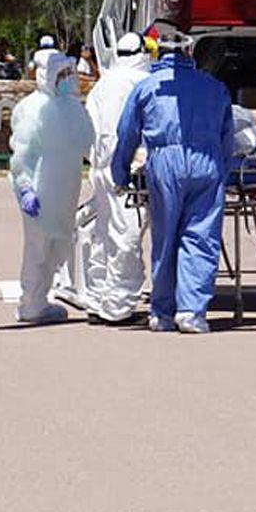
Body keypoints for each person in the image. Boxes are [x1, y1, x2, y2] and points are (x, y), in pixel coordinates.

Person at [111, 34, 233, 334]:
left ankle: (162, 312)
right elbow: (227, 136)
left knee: (165, 238)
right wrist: (223, 174)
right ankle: (192, 312)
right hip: (208, 162)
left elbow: (126, 134)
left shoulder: (147, 87)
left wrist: (121, 174)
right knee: (201, 237)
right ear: (190, 52)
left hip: (165, 163)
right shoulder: (214, 87)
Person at [8, 50, 95, 323]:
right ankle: (30, 304)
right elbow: (21, 153)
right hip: (40, 188)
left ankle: (40, 300)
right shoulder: (31, 108)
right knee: (37, 247)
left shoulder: (72, 107)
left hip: (65, 188)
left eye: (70, 73)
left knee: (57, 246)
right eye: (63, 75)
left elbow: (87, 143)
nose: (69, 79)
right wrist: (24, 188)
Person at [82, 32, 153, 323]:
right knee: (127, 235)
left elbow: (89, 127)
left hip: (100, 168)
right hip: (126, 169)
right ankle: (118, 308)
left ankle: (98, 298)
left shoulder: (104, 83)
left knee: (103, 233)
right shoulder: (141, 83)